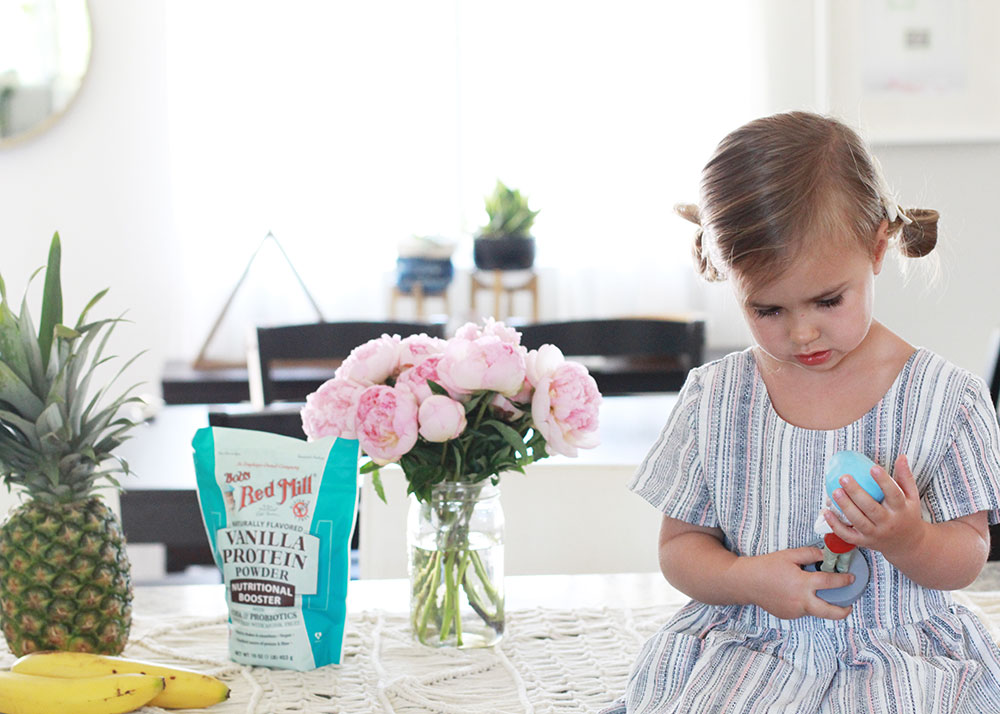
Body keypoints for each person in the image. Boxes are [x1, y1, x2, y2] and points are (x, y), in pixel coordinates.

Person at [602, 111, 1000, 713]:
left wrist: (909, 537)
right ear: (725, 277)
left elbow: (969, 556)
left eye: (827, 299)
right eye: (767, 310)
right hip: (755, 653)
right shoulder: (717, 399)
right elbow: (679, 548)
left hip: (896, 658)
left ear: (876, 248)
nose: (803, 332)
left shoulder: (947, 399)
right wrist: (744, 580)